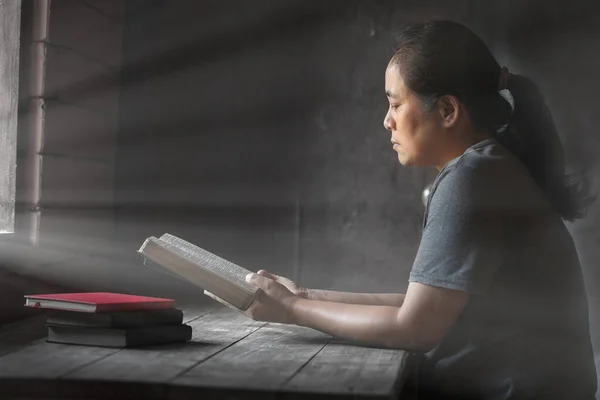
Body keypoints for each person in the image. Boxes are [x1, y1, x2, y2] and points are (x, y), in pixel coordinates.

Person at [204, 20, 597, 400]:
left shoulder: (472, 178)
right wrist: (305, 295)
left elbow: (414, 329)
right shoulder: (490, 168)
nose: (387, 120)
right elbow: (421, 307)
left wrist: (291, 309)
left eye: (395, 104)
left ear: (447, 110)